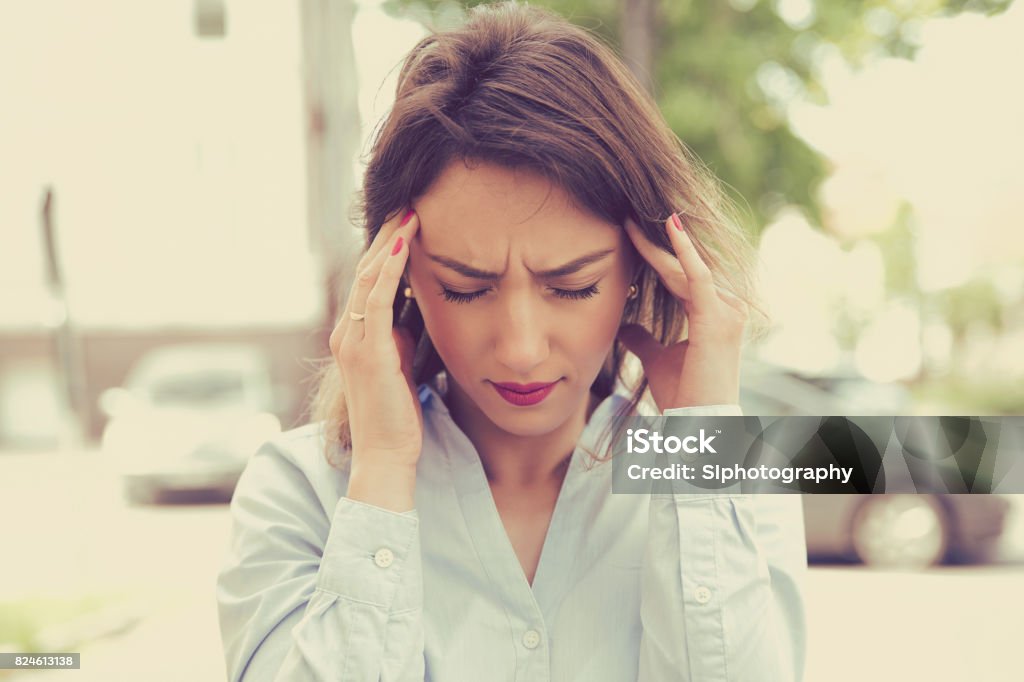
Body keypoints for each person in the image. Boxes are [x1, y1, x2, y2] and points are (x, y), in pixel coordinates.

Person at [216, 2, 807, 680]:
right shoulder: (300, 493)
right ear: (398, 275)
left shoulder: (736, 484)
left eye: (572, 286)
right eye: (467, 288)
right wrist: (380, 470)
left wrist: (698, 444)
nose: (521, 348)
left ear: (644, 274)